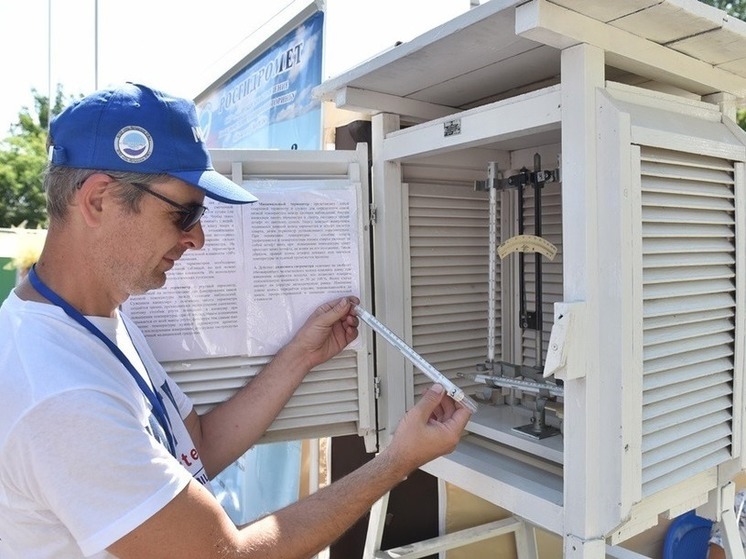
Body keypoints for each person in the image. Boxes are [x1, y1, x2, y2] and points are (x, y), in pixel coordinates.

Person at [0, 83, 473, 559]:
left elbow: (195, 449)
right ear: (99, 199)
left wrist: (298, 357)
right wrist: (397, 461)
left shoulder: (100, 319)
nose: (198, 239)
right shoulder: (58, 392)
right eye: (184, 214)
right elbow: (228, 555)